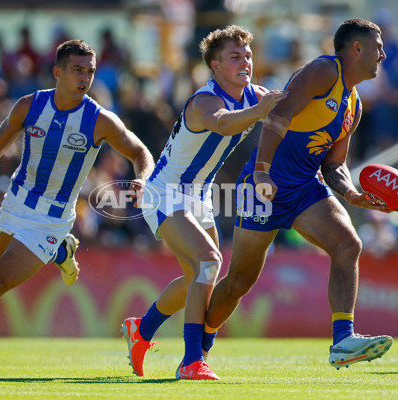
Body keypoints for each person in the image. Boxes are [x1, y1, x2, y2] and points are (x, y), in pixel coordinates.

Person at [0, 39, 154, 373]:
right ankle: (61, 253)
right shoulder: (29, 106)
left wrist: (143, 178)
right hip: (14, 203)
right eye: (78, 70)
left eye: (90, 72)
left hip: (50, 220)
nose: (85, 78)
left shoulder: (99, 120)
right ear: (57, 72)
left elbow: (139, 152)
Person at [203, 18, 394, 371]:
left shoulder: (354, 104)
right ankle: (199, 347)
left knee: (348, 244)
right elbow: (278, 115)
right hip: (264, 186)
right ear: (357, 48)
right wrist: (260, 171)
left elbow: (335, 164)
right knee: (239, 281)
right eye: (377, 46)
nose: (383, 54)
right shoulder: (324, 71)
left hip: (305, 187)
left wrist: (352, 195)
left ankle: (342, 340)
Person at [121, 25, 286, 380]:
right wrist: (262, 110)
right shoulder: (205, 101)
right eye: (234, 57)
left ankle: (142, 330)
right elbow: (223, 124)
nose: (245, 62)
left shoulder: (254, 95)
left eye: (247, 55)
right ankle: (191, 361)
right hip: (164, 190)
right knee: (209, 262)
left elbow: (284, 108)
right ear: (215, 66)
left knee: (198, 273)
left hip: (199, 193)